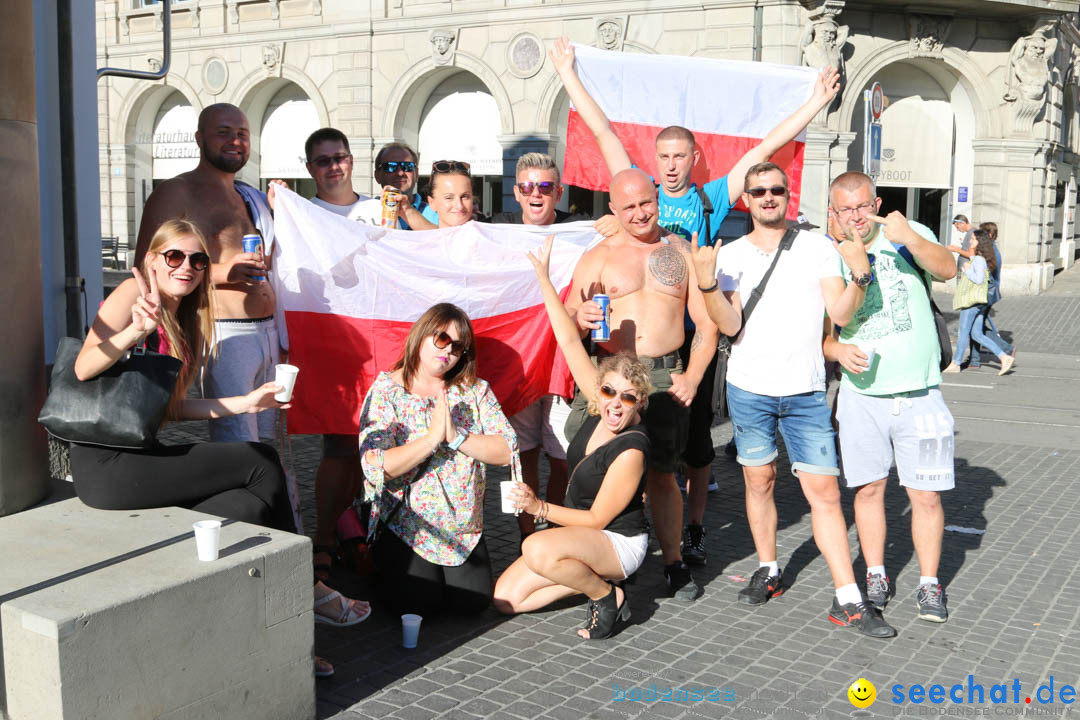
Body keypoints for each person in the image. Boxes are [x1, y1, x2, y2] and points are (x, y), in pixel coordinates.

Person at [550, 37, 841, 568]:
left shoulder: (707, 199)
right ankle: (613, 541)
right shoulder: (635, 199)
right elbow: (604, 132)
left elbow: (761, 152)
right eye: (661, 157)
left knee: (690, 451)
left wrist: (815, 103)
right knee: (612, 455)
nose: (668, 167)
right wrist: (569, 74)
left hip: (687, 344)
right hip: (623, 361)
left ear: (692, 158)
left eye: (678, 155)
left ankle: (691, 535)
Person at [72, 219, 369, 678]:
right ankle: (309, 590)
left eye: (197, 260)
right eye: (174, 256)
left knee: (247, 508)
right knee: (260, 461)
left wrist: (247, 402)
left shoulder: (186, 319)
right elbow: (83, 368)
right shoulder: (132, 297)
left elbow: (171, 411)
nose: (186, 267)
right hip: (109, 465)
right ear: (152, 260)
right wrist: (134, 332)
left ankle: (282, 644)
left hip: (141, 457)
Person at [691, 162, 895, 638]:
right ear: (746, 200)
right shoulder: (732, 254)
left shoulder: (818, 247)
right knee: (758, 481)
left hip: (804, 391)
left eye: (776, 190)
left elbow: (840, 311)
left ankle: (848, 598)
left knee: (823, 493)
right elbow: (729, 324)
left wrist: (860, 277)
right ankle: (769, 568)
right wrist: (705, 283)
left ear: (788, 195)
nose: (767, 197)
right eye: (757, 190)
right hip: (749, 388)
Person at [563, 167, 718, 601]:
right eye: (627, 206)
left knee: (664, 474)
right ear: (612, 209)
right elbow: (569, 327)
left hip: (667, 376)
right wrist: (580, 320)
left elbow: (707, 326)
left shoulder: (683, 252)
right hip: (611, 377)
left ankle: (673, 563)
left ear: (658, 199)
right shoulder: (597, 257)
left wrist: (694, 374)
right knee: (591, 466)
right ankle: (599, 557)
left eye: (645, 202)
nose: (638, 213)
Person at [493, 236, 650, 640]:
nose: (616, 404)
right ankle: (593, 579)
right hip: (585, 538)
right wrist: (544, 279)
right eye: (609, 391)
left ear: (640, 403)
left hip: (618, 542)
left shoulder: (632, 448)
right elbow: (566, 338)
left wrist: (539, 507)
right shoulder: (597, 406)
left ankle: (605, 596)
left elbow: (599, 519)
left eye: (628, 398)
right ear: (599, 392)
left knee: (536, 548)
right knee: (507, 599)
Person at [822, 171, 959, 624]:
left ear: (875, 202)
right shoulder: (832, 254)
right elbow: (829, 328)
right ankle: (876, 574)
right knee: (868, 491)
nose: (857, 217)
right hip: (862, 396)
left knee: (926, 496)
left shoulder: (907, 233)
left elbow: (948, 268)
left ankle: (929, 583)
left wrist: (911, 239)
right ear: (834, 212)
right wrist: (837, 348)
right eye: (846, 209)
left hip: (920, 393)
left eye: (863, 206)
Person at [358, 303, 518, 616]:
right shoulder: (387, 390)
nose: (449, 351)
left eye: (459, 346)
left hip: (461, 527)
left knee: (470, 604)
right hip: (409, 525)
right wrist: (431, 439)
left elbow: (506, 449)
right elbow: (376, 465)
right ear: (421, 335)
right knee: (419, 606)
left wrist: (457, 437)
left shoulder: (475, 390)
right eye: (442, 339)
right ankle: (374, 563)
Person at [134, 103, 279, 444]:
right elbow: (147, 265)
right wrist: (224, 272)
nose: (235, 141)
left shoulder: (249, 196)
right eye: (223, 132)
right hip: (224, 333)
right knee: (239, 438)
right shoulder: (177, 191)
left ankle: (273, 497)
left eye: (242, 134)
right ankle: (243, 497)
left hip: (271, 332)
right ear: (199, 139)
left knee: (273, 440)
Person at [490, 152, 590, 543]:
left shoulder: (579, 230)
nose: (536, 194)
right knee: (524, 454)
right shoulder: (496, 229)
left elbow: (621, 227)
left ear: (559, 192)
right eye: (528, 186)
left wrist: (612, 221)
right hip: (520, 360)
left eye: (545, 187)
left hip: (564, 362)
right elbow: (444, 234)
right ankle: (527, 537)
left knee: (563, 456)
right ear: (516, 192)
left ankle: (558, 532)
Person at [943, 229, 1016, 376]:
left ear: (980, 243)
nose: (970, 241)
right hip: (980, 302)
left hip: (972, 302)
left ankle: (956, 363)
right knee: (976, 334)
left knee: (963, 333)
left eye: (974, 239)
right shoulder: (981, 258)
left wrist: (967, 270)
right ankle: (1004, 357)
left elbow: (978, 280)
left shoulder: (978, 260)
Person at [425, 161, 480, 227]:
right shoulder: (419, 237)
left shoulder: (489, 236)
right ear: (432, 203)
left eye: (464, 196)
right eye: (449, 198)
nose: (459, 206)